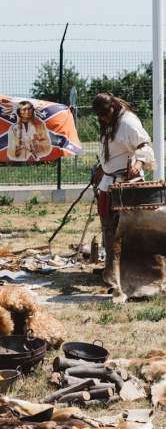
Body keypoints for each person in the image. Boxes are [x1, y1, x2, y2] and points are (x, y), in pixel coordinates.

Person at [92, 93, 155, 290]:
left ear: (112, 107)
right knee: (109, 230)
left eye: (104, 114)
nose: (102, 118)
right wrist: (102, 168)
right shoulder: (110, 122)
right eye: (99, 115)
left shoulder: (128, 122)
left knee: (127, 231)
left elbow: (144, 146)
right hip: (108, 184)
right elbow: (112, 151)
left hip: (126, 185)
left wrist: (138, 162)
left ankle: (130, 274)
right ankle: (111, 273)